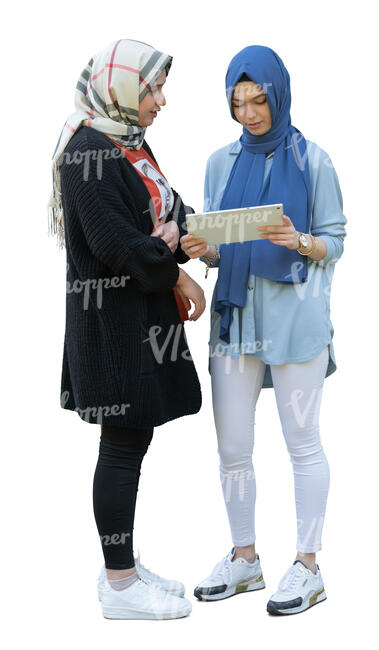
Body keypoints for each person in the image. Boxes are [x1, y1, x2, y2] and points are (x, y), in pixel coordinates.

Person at [181, 45, 347, 616]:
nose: (248, 112)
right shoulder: (219, 162)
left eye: (259, 100)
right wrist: (204, 252)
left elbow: (336, 240)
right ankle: (245, 558)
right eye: (237, 102)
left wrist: (300, 241)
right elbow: (220, 243)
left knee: (303, 444)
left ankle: (307, 566)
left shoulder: (314, 160)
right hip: (234, 319)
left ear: (279, 94)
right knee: (232, 448)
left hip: (296, 321)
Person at [48, 39, 206, 620]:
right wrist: (175, 273)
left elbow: (167, 210)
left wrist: (183, 234)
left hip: (141, 318)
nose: (161, 100)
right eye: (152, 89)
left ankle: (126, 568)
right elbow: (118, 245)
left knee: (132, 444)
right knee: (120, 448)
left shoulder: (127, 144)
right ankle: (119, 585)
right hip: (113, 326)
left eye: (161, 88)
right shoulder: (86, 152)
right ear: (119, 91)